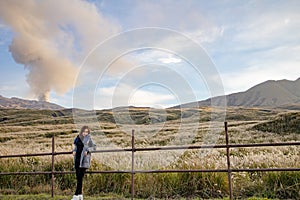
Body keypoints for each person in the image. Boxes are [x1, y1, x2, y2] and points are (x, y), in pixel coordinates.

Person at [71, 126, 96, 200]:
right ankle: (80, 195)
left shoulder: (89, 139)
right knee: (78, 177)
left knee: (80, 177)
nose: (85, 133)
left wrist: (87, 150)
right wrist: (74, 150)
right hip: (77, 160)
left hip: (84, 160)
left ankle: (76, 195)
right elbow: (74, 146)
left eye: (87, 132)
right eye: (84, 131)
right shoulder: (77, 138)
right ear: (81, 132)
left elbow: (94, 147)